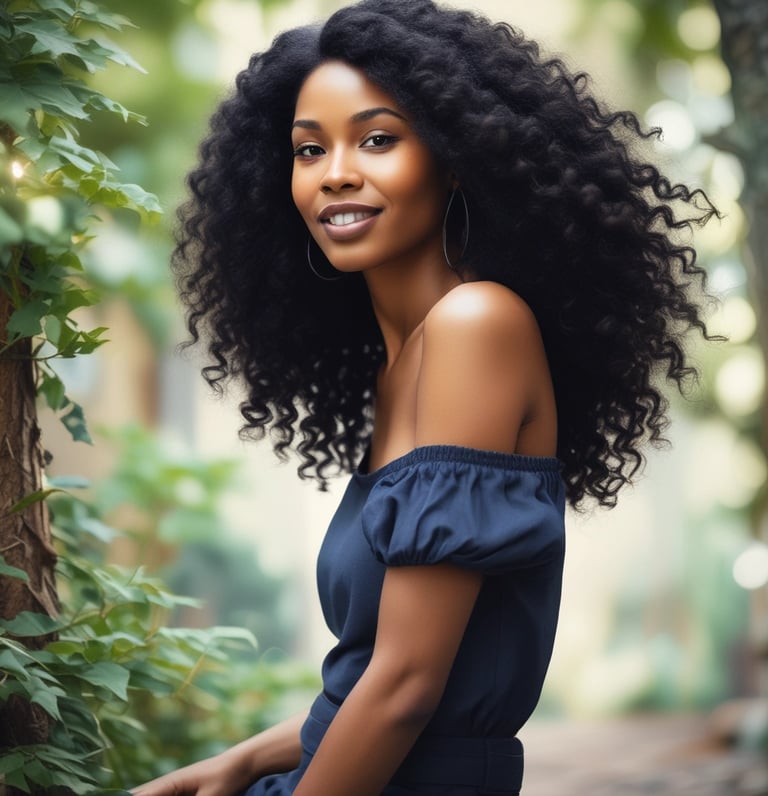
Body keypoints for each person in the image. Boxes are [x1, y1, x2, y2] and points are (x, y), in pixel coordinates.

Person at [133, 1, 718, 793]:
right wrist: (237, 762)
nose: (336, 172)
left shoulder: (475, 326)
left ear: (453, 158)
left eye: (378, 139)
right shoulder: (402, 363)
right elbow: (377, 678)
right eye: (310, 149)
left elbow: (409, 688)